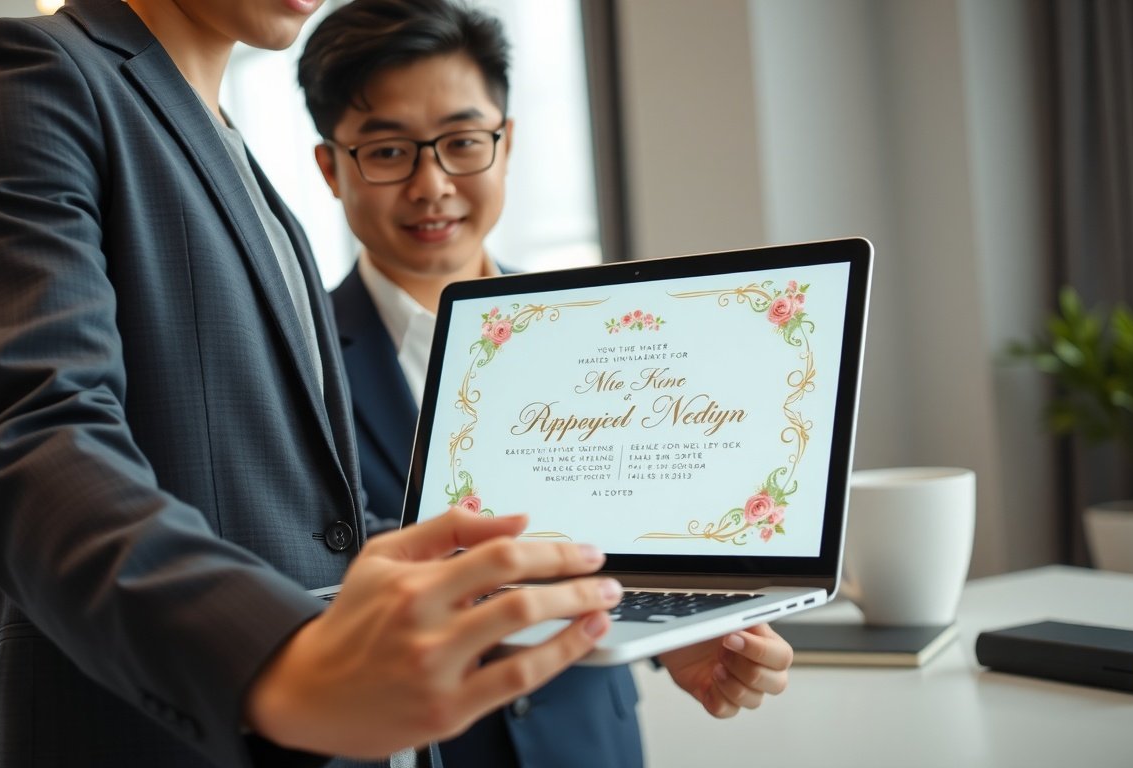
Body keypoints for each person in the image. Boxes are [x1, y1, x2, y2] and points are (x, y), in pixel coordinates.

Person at [0, 0, 631, 766]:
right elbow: (31, 447)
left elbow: (312, 526)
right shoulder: (26, 75)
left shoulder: (246, 172)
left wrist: (606, 613)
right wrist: (277, 657)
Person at [298, 2, 794, 767]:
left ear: (506, 143)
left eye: (462, 142)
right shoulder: (297, 361)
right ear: (331, 168)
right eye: (389, 151)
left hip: (593, 744)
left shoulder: (598, 337)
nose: (432, 185)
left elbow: (638, 530)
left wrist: (680, 639)